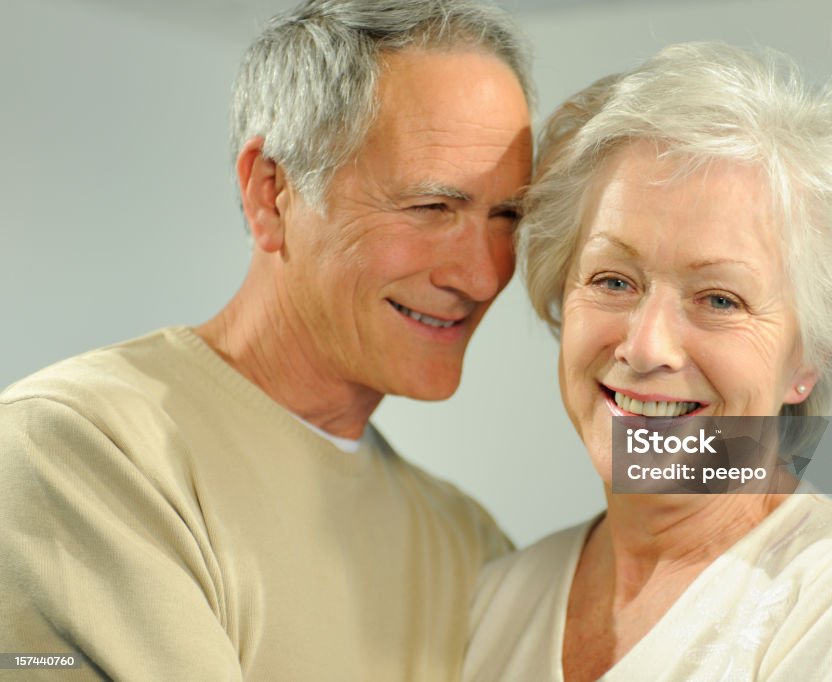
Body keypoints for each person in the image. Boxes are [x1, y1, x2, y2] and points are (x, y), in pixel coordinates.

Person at [0, 1, 531, 679]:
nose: (484, 274)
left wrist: (702, 450)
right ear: (270, 193)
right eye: (432, 208)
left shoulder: (469, 543)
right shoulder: (79, 455)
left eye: (508, 214)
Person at [464, 42, 832, 681]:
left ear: (808, 359)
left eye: (720, 298)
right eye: (613, 280)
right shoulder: (496, 599)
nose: (645, 347)